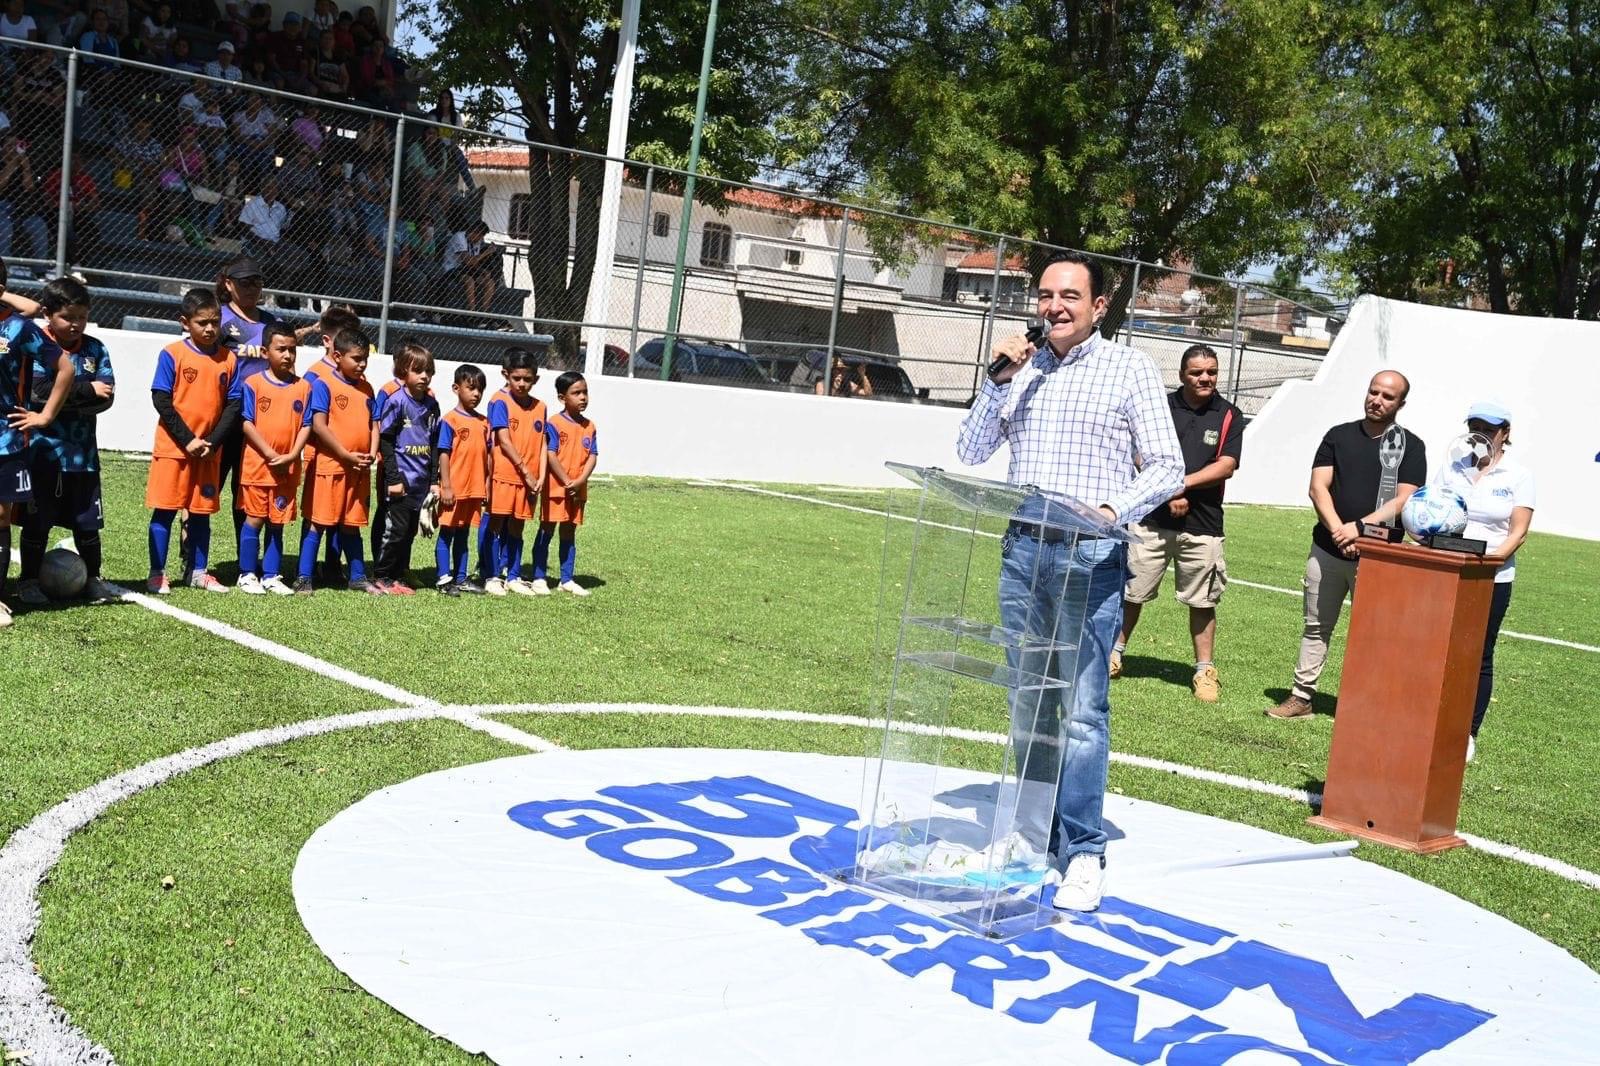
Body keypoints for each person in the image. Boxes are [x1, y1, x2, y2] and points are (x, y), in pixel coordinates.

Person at [956, 249, 1184, 912]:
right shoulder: (1019, 370)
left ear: (1099, 305)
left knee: (1082, 711)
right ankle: (1028, 835)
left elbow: (1166, 466)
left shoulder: (1129, 369)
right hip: (1023, 550)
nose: (1055, 307)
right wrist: (997, 379)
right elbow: (969, 453)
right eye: (1047, 295)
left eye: (1070, 296)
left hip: (1089, 555)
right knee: (1028, 698)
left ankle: (1083, 850)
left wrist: (1114, 511)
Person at [1267, 370, 1427, 720]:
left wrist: (1359, 529)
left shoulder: (1411, 446)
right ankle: (1301, 697)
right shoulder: (1338, 436)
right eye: (1373, 392)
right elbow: (1318, 488)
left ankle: (1366, 705)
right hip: (1327, 550)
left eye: (1387, 396)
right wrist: (1341, 531)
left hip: (1379, 556)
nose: (1377, 400)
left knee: (1374, 633)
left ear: (1401, 403)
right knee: (1316, 627)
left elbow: (1405, 499)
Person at [1111, 344, 1244, 702]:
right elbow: (1138, 451)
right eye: (1198, 372)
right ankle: (1114, 654)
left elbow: (1226, 465)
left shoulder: (1230, 414)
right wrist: (1167, 492)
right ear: (1183, 374)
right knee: (1131, 593)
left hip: (1203, 525)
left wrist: (1179, 484)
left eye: (1212, 372)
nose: (1206, 378)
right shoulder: (1160, 407)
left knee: (1203, 601)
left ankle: (1204, 671)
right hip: (1152, 519)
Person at [14, 278, 117, 607]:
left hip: (82, 454)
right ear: (47, 314)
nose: (76, 324)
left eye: (82, 317)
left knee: (87, 524)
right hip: (42, 451)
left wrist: (63, 400)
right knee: (37, 521)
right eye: (67, 317)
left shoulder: (95, 348)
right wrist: (85, 391)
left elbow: (107, 397)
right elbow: (37, 390)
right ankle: (29, 580)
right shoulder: (35, 344)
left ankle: (93, 578)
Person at [145, 288, 241, 595]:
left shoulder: (229, 359)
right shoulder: (172, 353)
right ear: (185, 322)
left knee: (201, 513)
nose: (210, 328)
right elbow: (161, 399)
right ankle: (157, 572)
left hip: (208, 452)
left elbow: (234, 405)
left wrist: (211, 442)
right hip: (175, 449)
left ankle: (198, 571)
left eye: (215, 322)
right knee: (165, 511)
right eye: (202, 322)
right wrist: (188, 440)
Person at [1457, 402, 1536, 762]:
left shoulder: (1518, 476)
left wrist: (1492, 562)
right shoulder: (1455, 466)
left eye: (1489, 428)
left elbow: (1518, 533)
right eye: (1476, 427)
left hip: (1493, 576)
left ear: (1504, 432)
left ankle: (1468, 733)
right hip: (1450, 569)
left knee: (1479, 654)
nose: (1482, 434)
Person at [0, 259, 71, 627]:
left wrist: (44, 417)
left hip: (6, 437)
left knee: (0, 516)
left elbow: (65, 368)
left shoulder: (17, 329)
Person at [293, 326, 379, 595]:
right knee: (317, 522)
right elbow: (318, 425)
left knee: (351, 524)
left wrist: (372, 454)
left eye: (365, 358)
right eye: (356, 358)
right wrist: (343, 454)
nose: (361, 364)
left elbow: (374, 425)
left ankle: (357, 576)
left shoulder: (367, 388)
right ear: (338, 356)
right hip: (330, 467)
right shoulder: (323, 384)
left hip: (359, 470)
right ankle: (304, 577)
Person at [236, 323, 310, 595]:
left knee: (277, 523)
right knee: (254, 520)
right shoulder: (253, 384)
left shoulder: (303, 387)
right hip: (258, 467)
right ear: (266, 351)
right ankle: (246, 574)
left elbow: (306, 425)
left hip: (287, 470)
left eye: (292, 350)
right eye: (281, 349)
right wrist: (269, 454)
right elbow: (246, 423)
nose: (288, 355)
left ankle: (271, 575)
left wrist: (291, 456)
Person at [373, 343, 440, 594]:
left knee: (410, 531)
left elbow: (433, 444)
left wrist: (434, 480)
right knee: (396, 530)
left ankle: (399, 574)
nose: (424, 376)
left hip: (421, 482)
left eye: (429, 371)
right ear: (403, 372)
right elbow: (386, 440)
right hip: (401, 479)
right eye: (418, 370)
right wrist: (393, 477)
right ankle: (382, 576)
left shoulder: (432, 406)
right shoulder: (397, 401)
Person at [482, 346, 547, 596]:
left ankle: (513, 575)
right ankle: (491, 575)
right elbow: (504, 441)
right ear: (505, 375)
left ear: (536, 379)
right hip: (505, 474)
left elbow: (542, 442)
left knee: (518, 527)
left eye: (527, 379)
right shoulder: (500, 401)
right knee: (496, 523)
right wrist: (526, 472)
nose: (521, 384)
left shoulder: (540, 407)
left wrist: (539, 476)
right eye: (516, 378)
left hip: (529, 479)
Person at [531, 371, 596, 596]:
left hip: (577, 491)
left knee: (569, 533)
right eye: (576, 393)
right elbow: (551, 455)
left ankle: (566, 579)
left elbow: (593, 456)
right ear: (562, 398)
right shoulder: (554, 424)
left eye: (585, 392)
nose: (583, 397)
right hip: (556, 489)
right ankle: (539, 576)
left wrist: (579, 481)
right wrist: (567, 481)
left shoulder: (590, 426)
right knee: (546, 530)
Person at [433, 362, 489, 595]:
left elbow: (487, 458)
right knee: (447, 532)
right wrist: (446, 486)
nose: (476, 393)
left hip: (474, 489)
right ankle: (444, 579)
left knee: (464, 534)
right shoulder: (449, 420)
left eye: (480, 389)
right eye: (471, 388)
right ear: (457, 388)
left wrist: (485, 486)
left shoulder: (484, 422)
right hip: (454, 489)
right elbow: (443, 454)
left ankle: (461, 577)